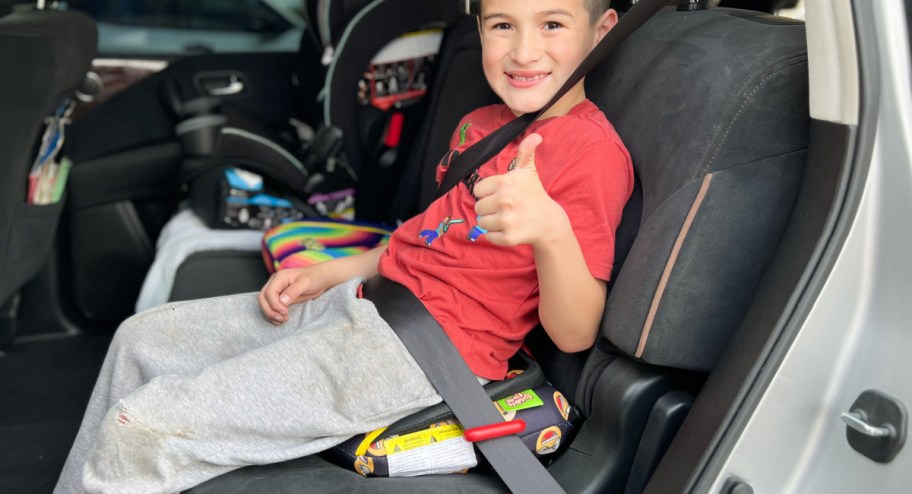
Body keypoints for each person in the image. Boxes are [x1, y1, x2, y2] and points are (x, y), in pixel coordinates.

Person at [55, 0, 633, 492]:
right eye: (502, 24)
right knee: (139, 339)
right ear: (478, 26)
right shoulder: (481, 125)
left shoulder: (590, 153)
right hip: (366, 301)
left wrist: (550, 230)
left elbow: (575, 332)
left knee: (138, 429)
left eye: (553, 25)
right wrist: (330, 271)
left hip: (421, 352)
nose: (524, 51)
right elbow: (427, 238)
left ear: (602, 32)